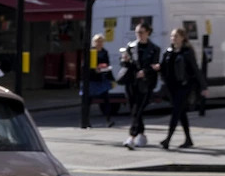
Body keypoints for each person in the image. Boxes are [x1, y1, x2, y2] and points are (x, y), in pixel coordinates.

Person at [159, 27, 205, 150]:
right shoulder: (168, 52)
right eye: (172, 36)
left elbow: (195, 69)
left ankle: (168, 139)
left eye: (176, 36)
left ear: (182, 38)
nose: (173, 38)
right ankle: (188, 139)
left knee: (176, 112)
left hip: (184, 86)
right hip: (171, 86)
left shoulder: (187, 52)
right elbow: (163, 67)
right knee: (181, 112)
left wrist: (203, 86)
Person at [120, 22, 161, 150]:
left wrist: (145, 71)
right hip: (132, 82)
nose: (138, 35)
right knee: (134, 109)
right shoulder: (130, 46)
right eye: (137, 32)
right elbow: (124, 64)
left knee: (138, 109)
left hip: (146, 84)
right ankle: (142, 135)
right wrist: (124, 61)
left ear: (148, 33)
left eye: (141, 32)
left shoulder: (154, 49)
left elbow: (155, 66)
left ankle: (131, 137)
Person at [87, 34, 115, 127]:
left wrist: (111, 78)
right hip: (92, 79)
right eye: (97, 41)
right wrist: (93, 69)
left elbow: (107, 64)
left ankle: (108, 120)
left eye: (101, 41)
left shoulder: (104, 52)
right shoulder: (91, 51)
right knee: (89, 101)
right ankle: (86, 121)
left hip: (102, 78)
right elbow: (85, 65)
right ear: (94, 42)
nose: (99, 43)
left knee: (106, 100)